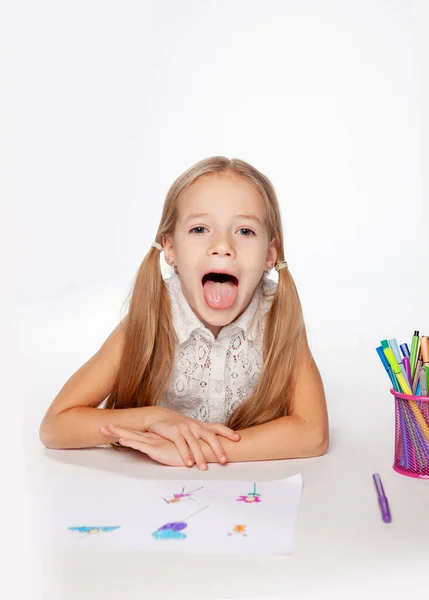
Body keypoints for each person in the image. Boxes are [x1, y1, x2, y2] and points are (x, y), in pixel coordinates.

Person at [40, 156, 328, 470]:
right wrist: (153, 419)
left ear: (270, 254)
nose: (222, 246)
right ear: (170, 249)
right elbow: (56, 426)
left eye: (244, 231)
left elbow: (313, 434)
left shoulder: (276, 317)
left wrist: (198, 451)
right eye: (200, 229)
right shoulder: (153, 316)